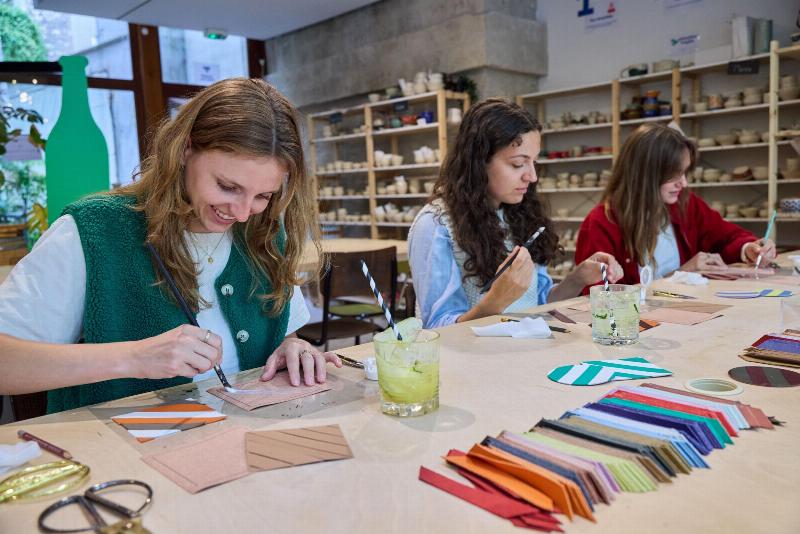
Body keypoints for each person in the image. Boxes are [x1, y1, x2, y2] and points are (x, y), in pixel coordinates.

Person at [0, 78, 341, 413]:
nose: (241, 213)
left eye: (263, 195)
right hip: (121, 456)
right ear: (185, 149)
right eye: (227, 186)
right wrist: (134, 357)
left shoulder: (264, 234)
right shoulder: (94, 231)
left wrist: (292, 348)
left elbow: (284, 334)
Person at [408, 98, 622, 329]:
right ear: (478, 162)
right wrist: (496, 300)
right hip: (474, 362)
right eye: (518, 164)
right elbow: (438, 328)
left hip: (525, 353)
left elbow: (538, 304)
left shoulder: (519, 214)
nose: (532, 176)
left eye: (534, 163)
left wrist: (577, 278)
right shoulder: (435, 225)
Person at [575, 123, 776, 286]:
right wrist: (681, 273)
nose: (684, 183)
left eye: (685, 172)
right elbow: (599, 302)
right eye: (674, 175)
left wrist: (749, 248)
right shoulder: (602, 222)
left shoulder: (685, 204)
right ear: (645, 175)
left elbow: (726, 236)